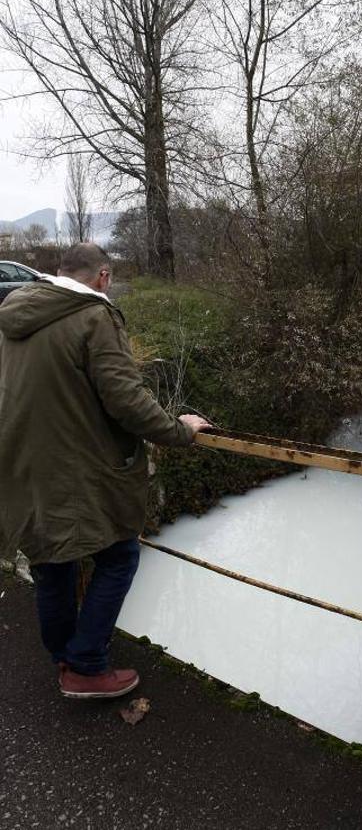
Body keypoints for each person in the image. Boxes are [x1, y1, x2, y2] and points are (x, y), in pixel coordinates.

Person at [0, 243, 210, 699]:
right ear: (103, 277)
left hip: (21, 463)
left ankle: (64, 655)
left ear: (58, 273)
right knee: (119, 556)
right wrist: (181, 430)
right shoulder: (96, 316)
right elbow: (126, 400)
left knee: (51, 561)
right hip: (75, 466)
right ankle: (85, 666)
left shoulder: (15, 312)